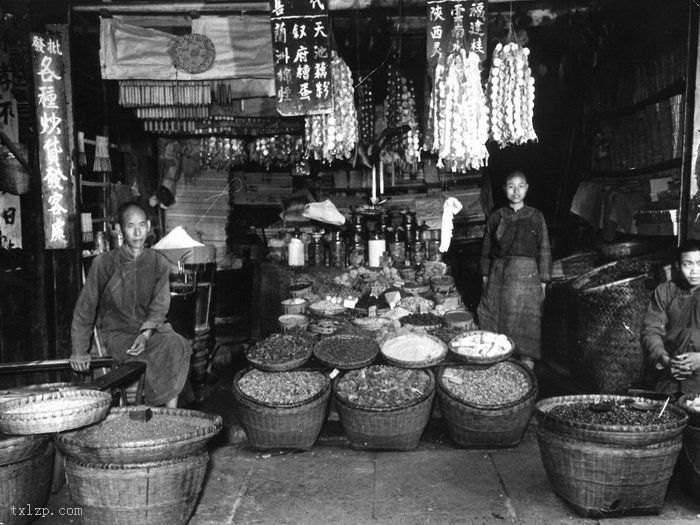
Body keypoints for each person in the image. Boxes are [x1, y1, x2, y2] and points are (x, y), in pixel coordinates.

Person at [70, 201, 191, 407]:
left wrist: (145, 334)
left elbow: (159, 306)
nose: (137, 233)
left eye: (142, 225)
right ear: (119, 229)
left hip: (151, 333)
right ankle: (154, 412)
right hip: (118, 336)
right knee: (163, 349)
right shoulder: (104, 263)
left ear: (149, 226)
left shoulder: (158, 262)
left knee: (177, 343)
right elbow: (85, 308)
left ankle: (171, 416)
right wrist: (79, 350)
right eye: (130, 226)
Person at [477, 170, 552, 369]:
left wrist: (543, 281)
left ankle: (527, 359)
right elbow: (486, 249)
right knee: (497, 315)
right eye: (511, 186)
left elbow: (544, 248)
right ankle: (500, 356)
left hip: (527, 276)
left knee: (527, 318)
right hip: (500, 274)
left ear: (527, 188)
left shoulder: (536, 216)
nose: (516, 191)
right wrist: (485, 276)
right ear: (504, 189)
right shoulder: (497, 216)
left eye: (520, 186)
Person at [641, 239, 700, 394]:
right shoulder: (665, 291)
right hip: (671, 366)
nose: (695, 270)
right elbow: (651, 331)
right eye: (688, 264)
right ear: (678, 266)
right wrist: (665, 360)